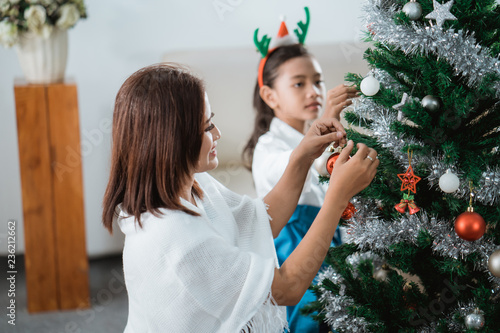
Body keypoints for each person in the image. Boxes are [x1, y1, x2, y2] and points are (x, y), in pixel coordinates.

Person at [102, 63, 378, 333]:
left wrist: (302, 155)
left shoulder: (195, 183)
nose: (218, 133)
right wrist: (337, 196)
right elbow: (286, 288)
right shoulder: (178, 238)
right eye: (207, 127)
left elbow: (260, 219)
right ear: (172, 140)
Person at [242, 10, 359, 332]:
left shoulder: (308, 136)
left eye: (318, 81)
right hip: (296, 242)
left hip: (327, 235)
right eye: (299, 83)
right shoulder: (269, 144)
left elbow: (323, 165)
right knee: (307, 314)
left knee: (337, 307)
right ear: (270, 96)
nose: (313, 91)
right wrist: (322, 138)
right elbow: (297, 163)